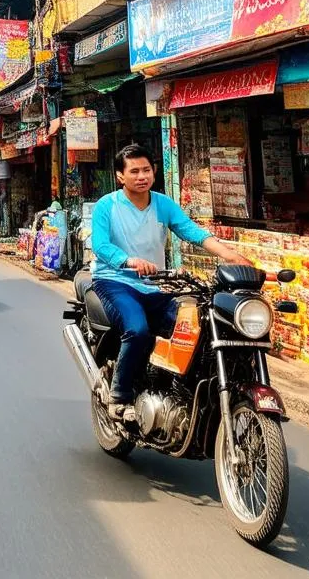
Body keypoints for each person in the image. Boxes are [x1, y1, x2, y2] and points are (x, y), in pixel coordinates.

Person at [91, 144, 252, 423]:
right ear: (120, 176)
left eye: (146, 170)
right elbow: (100, 245)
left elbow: (190, 230)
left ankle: (177, 390)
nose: (142, 176)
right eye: (134, 171)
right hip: (115, 280)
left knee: (194, 328)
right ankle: (120, 395)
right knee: (138, 330)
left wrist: (229, 255)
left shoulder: (163, 203)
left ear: (154, 172)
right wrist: (129, 261)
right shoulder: (108, 205)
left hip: (155, 285)